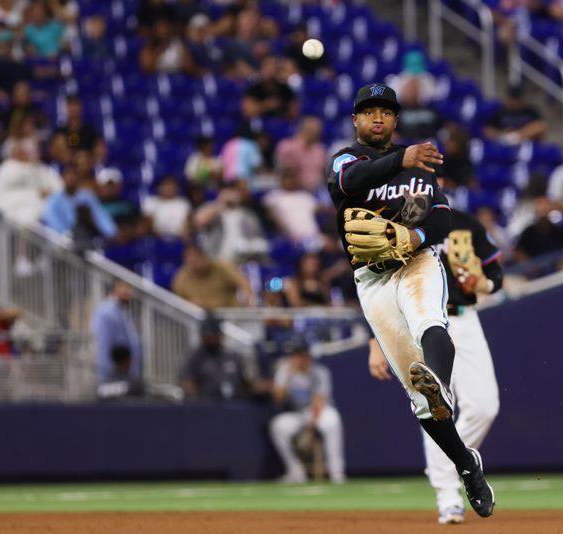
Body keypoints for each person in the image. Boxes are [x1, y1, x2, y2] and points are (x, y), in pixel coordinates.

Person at [325, 83, 495, 518]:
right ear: (356, 121)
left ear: (395, 120)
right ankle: (465, 463)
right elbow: (346, 182)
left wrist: (415, 235)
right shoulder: (348, 159)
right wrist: (401, 158)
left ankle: (437, 383)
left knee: (429, 324)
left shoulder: (418, 166)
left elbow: (441, 215)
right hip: (371, 280)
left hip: (416, 261)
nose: (377, 117)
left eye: (386, 111)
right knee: (420, 403)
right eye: (369, 111)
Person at [368, 208, 503, 524]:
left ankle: (449, 461)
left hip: (463, 318)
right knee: (434, 404)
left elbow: (495, 277)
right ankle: (447, 497)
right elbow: (376, 285)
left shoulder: (466, 223)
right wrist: (374, 340)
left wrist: (482, 283)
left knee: (485, 406)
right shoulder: (397, 223)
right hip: (417, 322)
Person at [269, 339, 346, 483]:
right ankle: (295, 470)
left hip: (318, 412)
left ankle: (337, 472)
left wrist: (311, 427)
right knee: (277, 426)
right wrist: (288, 376)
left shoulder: (319, 371)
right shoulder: (284, 370)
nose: (297, 358)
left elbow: (319, 401)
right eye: (294, 355)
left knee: (333, 420)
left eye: (300, 354)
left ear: (307, 355)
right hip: (297, 414)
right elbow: (278, 399)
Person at [179, 315, 264, 400]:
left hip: (235, 405)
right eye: (209, 336)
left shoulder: (233, 356)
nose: (212, 339)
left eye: (215, 336)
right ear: (203, 336)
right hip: (206, 406)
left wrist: (258, 388)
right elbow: (187, 383)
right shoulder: (194, 358)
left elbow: (248, 382)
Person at [193, 180, 269, 265]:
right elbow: (199, 221)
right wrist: (221, 202)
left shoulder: (249, 215)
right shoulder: (213, 210)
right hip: (218, 261)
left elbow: (258, 241)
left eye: (234, 191)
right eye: (228, 191)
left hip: (243, 262)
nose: (231, 194)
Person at [0, 143, 62, 227]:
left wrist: (48, 192)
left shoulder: (39, 167)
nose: (22, 154)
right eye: (19, 152)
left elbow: (58, 186)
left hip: (35, 205)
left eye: (24, 152)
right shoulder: (7, 166)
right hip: (11, 203)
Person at [41, 165, 117, 242]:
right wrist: (64, 236)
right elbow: (51, 220)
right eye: (68, 176)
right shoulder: (54, 199)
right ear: (63, 178)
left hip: (84, 237)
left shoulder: (87, 197)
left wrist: (111, 232)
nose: (71, 179)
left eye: (73, 176)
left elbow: (99, 215)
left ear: (78, 179)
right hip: (60, 241)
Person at [171, 243, 253, 309]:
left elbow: (244, 283)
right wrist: (191, 305)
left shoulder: (222, 267)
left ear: (205, 256)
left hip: (227, 317)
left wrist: (250, 304)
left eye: (197, 257)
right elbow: (177, 304)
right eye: (189, 258)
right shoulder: (181, 277)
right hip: (197, 322)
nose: (193, 261)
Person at [91, 279, 142, 384]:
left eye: (130, 288)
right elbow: (103, 346)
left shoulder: (121, 311)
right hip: (112, 377)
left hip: (124, 376)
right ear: (116, 287)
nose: (129, 292)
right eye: (125, 287)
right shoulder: (106, 312)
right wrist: (105, 378)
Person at [263, 165, 322, 246]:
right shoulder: (273, 197)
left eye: (292, 178)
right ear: (281, 179)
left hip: (315, 238)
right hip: (290, 240)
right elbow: (271, 216)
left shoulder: (305, 196)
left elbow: (324, 209)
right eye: (287, 177)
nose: (290, 181)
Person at [274, 116, 327, 192]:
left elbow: (323, 173)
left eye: (317, 132)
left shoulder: (320, 150)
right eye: (311, 131)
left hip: (317, 191)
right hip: (294, 190)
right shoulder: (286, 147)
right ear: (303, 129)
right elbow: (284, 172)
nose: (315, 134)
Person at [482, 85, 547, 144]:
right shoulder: (501, 111)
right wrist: (501, 133)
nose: (515, 103)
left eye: (517, 101)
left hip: (526, 144)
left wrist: (517, 134)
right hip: (505, 144)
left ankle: (512, 138)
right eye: (513, 100)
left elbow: (541, 126)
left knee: (539, 126)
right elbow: (487, 130)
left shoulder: (530, 111)